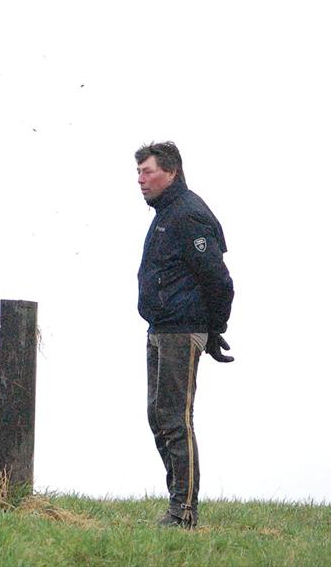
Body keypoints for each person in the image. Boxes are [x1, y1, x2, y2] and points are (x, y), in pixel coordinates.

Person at [135, 141, 235, 529]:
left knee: (175, 419)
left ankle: (183, 512)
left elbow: (220, 281)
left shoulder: (188, 215)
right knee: (158, 416)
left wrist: (214, 328)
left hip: (181, 329)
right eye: (138, 173)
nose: (141, 180)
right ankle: (177, 503)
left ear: (171, 172)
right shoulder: (166, 213)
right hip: (161, 328)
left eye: (148, 172)